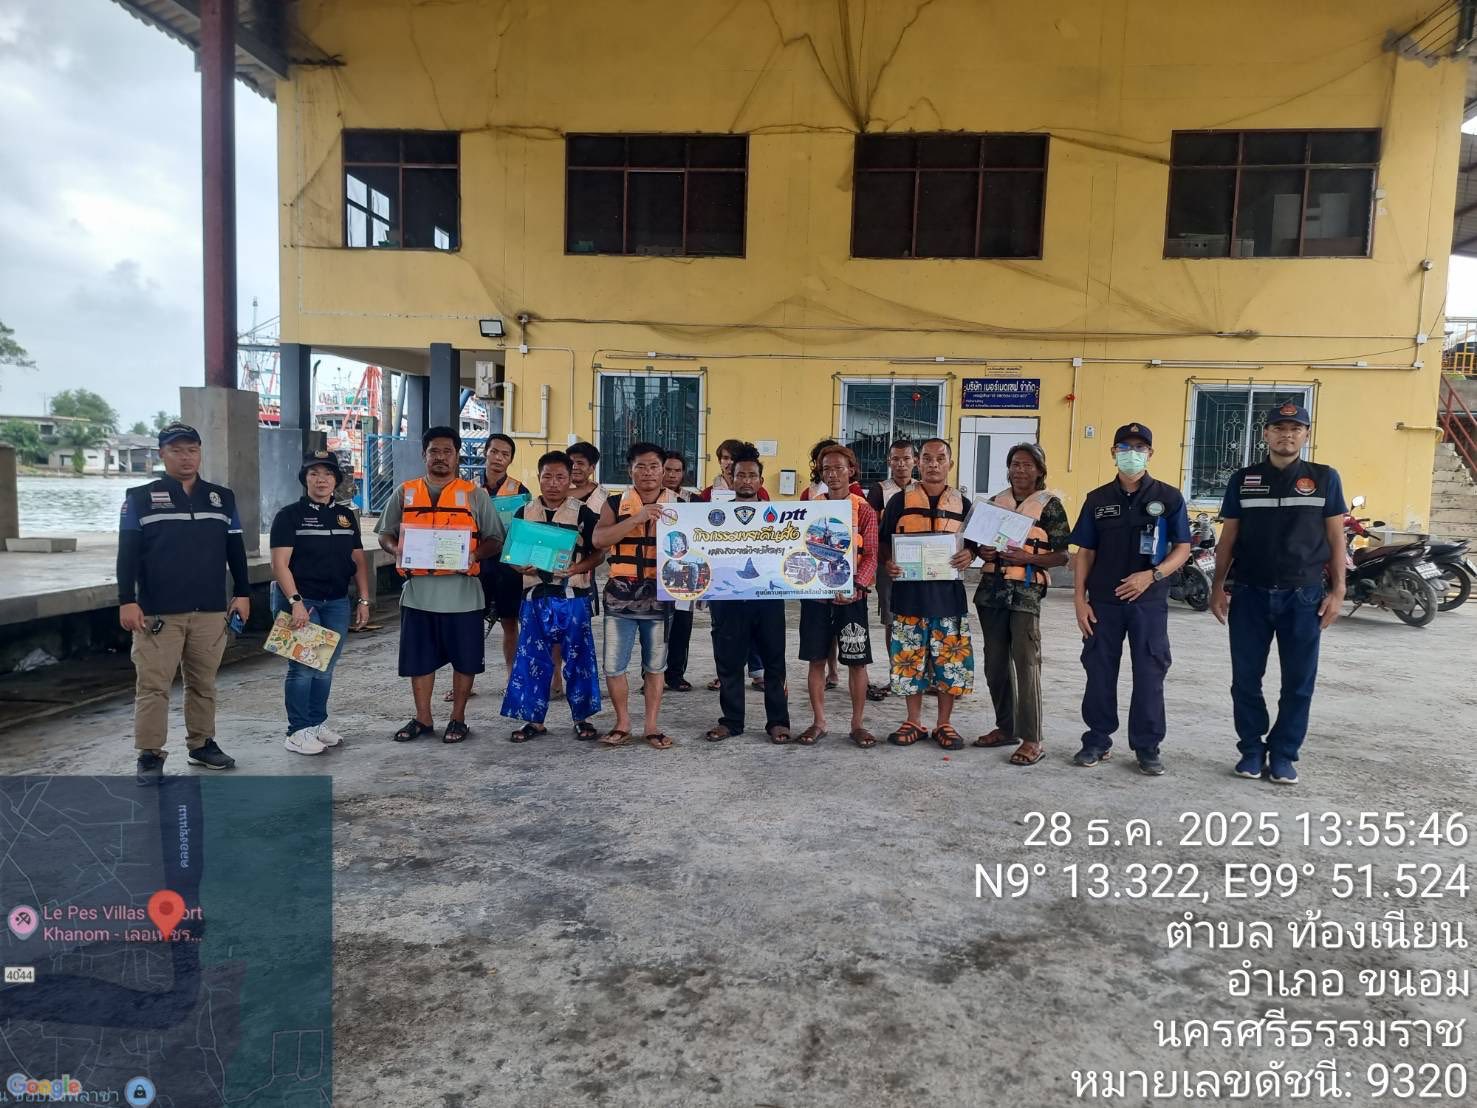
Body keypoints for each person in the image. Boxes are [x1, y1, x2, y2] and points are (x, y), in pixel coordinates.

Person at [1209, 402, 1346, 785]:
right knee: (1245, 680)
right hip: (1250, 593)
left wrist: (1338, 590)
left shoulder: (1324, 478)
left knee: (1298, 682)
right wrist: (1217, 586)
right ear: (1266, 434)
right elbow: (1228, 537)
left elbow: (1336, 537)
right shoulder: (1244, 479)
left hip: (1303, 597)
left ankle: (1284, 754)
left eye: (1295, 428)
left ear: (1306, 435)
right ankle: (1251, 750)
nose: (1287, 435)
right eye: (1280, 428)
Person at [118, 422, 250, 782]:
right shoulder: (139, 498)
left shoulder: (221, 498)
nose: (185, 457)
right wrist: (127, 600)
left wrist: (242, 593)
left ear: (200, 452)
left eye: (192, 450)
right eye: (176, 450)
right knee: (153, 686)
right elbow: (127, 554)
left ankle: (202, 744)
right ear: (162, 454)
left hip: (210, 610)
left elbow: (235, 549)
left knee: (203, 683)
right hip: (158, 613)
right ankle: (149, 754)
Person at [1068, 423, 1192, 776]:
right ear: (1113, 452)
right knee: (1099, 671)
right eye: (1125, 447)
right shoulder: (1097, 499)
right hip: (1103, 602)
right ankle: (1097, 740)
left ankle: (1147, 746)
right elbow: (1085, 552)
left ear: (1150, 453)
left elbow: (1182, 548)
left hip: (1147, 603)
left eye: (1139, 448)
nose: (1132, 454)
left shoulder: (1169, 498)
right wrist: (1079, 599)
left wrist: (1151, 576)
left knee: (1150, 672)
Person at [376, 425, 505, 744]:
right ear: (424, 454)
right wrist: (397, 550)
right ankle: (423, 718)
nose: (441, 457)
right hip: (418, 595)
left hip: (463, 595)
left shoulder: (475, 495)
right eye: (434, 450)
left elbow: (495, 539)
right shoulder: (404, 492)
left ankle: (458, 718)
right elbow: (385, 533)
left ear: (457, 456)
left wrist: (473, 554)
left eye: (448, 451)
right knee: (418, 660)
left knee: (465, 659)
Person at [972, 443, 1071, 766]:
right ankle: (1006, 728)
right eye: (1015, 464)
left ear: (1040, 471)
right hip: (991, 593)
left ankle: (1032, 739)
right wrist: (983, 552)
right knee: (995, 664)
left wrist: (1028, 557)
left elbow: (1062, 555)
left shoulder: (1050, 506)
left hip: (1025, 594)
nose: (1020, 470)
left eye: (1028, 465)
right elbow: (977, 544)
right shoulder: (994, 503)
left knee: (1026, 664)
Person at [269, 449, 372, 755]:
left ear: (336, 480)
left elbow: (358, 560)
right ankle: (297, 730)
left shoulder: (345, 517)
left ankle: (315, 723)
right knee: (303, 667)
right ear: (305, 479)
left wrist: (364, 599)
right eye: (314, 474)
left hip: (336, 601)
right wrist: (295, 602)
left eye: (327, 474)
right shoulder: (289, 516)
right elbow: (279, 564)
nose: (321, 479)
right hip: (304, 601)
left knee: (325, 666)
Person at [500, 450, 606, 741]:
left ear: (570, 479)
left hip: (573, 597)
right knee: (531, 659)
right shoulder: (524, 512)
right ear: (539, 477)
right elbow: (510, 553)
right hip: (534, 598)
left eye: (560, 477)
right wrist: (518, 565)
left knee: (579, 658)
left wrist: (578, 568)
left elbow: (599, 552)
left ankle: (583, 719)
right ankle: (533, 721)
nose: (553, 483)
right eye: (547, 476)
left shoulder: (583, 513)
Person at [880, 437, 976, 750]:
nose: (933, 464)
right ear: (918, 463)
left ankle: (944, 724)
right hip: (909, 599)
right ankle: (913, 721)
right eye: (927, 458)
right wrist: (889, 562)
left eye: (940, 458)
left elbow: (975, 544)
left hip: (949, 600)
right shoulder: (899, 501)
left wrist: (970, 554)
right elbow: (883, 542)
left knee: (950, 664)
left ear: (950, 463)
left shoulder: (963, 504)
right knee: (909, 662)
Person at [704, 445, 791, 743]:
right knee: (728, 663)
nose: (746, 480)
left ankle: (778, 721)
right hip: (727, 600)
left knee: (774, 663)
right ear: (731, 479)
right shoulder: (713, 517)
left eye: (752, 476)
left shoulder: (779, 517)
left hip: (768, 599)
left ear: (760, 481)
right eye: (740, 475)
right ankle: (731, 721)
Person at [593, 442, 677, 749]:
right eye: (641, 466)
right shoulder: (614, 505)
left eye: (654, 466)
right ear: (630, 471)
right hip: (620, 598)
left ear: (663, 471)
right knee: (614, 665)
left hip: (661, 598)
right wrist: (636, 518)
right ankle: (623, 722)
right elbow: (599, 539)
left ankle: (651, 726)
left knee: (656, 666)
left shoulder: (682, 505)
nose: (648, 473)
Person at [797, 444, 878, 747]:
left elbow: (871, 554)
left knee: (857, 662)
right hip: (816, 599)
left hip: (852, 599)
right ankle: (819, 722)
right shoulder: (809, 508)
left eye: (838, 468)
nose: (832, 474)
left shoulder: (863, 509)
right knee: (816, 660)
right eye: (826, 469)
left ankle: (857, 724)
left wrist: (857, 585)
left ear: (851, 471)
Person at [474, 432, 528, 697]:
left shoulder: (520, 491)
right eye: (494, 451)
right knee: (471, 624)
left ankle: (512, 679)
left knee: (510, 623)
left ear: (511, 460)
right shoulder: (466, 488)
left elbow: (526, 532)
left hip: (508, 568)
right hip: (476, 564)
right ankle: (465, 681)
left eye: (505, 454)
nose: (498, 458)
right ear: (485, 452)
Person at [864, 438, 916, 700]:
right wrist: (880, 561)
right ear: (888, 462)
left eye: (906, 459)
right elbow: (872, 529)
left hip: (919, 562)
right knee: (892, 618)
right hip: (889, 561)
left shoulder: (922, 489)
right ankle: (896, 673)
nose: (901, 464)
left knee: (920, 616)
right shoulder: (879, 490)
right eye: (896, 459)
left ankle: (923, 674)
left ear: (914, 461)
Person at [661, 451, 699, 693]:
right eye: (667, 469)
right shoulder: (648, 500)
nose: (672, 475)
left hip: (685, 575)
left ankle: (675, 675)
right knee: (655, 629)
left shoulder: (694, 501)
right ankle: (650, 675)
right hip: (655, 573)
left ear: (683, 473)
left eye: (677, 470)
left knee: (681, 626)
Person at [699, 438, 770, 501]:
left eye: (734, 458)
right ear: (719, 461)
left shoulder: (760, 492)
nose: (730, 462)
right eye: (726, 458)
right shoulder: (707, 494)